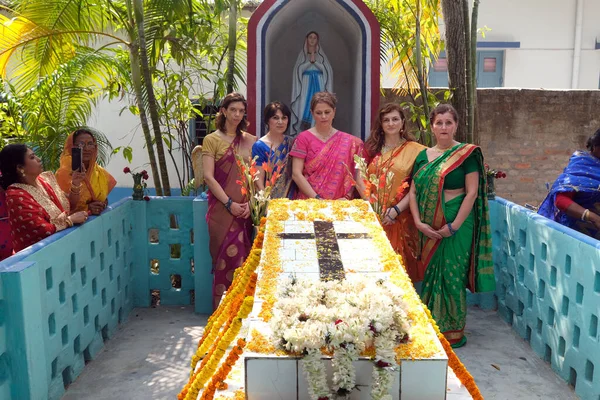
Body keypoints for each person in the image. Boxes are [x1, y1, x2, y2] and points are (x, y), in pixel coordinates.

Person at [408, 104, 495, 348]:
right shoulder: (423, 156)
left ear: (456, 125)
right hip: (428, 224)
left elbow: (472, 193)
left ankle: (452, 331)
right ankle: (431, 327)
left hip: (458, 222)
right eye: (439, 123)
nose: (444, 127)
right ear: (432, 126)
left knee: (452, 275)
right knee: (432, 275)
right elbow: (413, 192)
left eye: (448, 122)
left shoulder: (467, 155)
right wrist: (418, 222)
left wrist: (454, 226)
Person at [202, 92, 256, 309]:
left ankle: (242, 310)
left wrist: (251, 204)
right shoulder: (211, 140)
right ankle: (222, 311)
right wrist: (229, 204)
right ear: (223, 111)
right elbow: (208, 177)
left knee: (244, 259)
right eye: (232, 110)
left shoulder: (250, 140)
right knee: (225, 258)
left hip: (245, 210)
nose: (236, 114)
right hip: (221, 210)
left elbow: (255, 176)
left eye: (241, 111)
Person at [363, 103, 427, 282]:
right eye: (386, 120)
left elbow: (416, 187)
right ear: (381, 124)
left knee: (400, 268)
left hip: (401, 217)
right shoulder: (371, 150)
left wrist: (395, 210)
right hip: (374, 216)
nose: (391, 123)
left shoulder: (417, 151)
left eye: (395, 119)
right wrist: (372, 205)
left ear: (403, 123)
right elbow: (362, 181)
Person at [0, 144, 88, 252]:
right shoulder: (16, 195)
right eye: (32, 157)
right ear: (20, 168)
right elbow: (41, 230)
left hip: (62, 247)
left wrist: (76, 182)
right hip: (38, 257)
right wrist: (70, 220)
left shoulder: (44, 180)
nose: (39, 159)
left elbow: (70, 205)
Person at [290, 92, 363, 200]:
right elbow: (296, 174)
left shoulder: (350, 142)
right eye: (318, 113)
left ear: (334, 112)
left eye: (327, 112)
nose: (323, 116)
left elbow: (355, 175)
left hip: (339, 203)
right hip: (309, 202)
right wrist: (317, 199)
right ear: (312, 113)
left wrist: (347, 197)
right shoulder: (303, 138)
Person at [538, 128, 600, 239]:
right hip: (576, 235)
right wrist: (593, 217)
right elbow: (561, 201)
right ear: (595, 146)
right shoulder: (582, 165)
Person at [56, 129, 117, 215]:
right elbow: (60, 206)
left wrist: (102, 204)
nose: (86, 148)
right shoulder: (63, 173)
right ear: (72, 147)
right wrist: (87, 208)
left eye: (90, 144)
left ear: (94, 147)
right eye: (81, 144)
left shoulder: (99, 172)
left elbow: (103, 198)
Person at [290, 31, 334, 135]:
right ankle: (303, 134)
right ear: (307, 39)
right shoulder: (302, 56)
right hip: (305, 86)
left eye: (315, 38)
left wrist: (315, 62)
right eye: (310, 37)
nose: (312, 40)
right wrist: (310, 62)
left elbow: (327, 71)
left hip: (319, 84)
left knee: (321, 107)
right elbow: (298, 70)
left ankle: (320, 132)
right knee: (303, 109)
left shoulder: (321, 56)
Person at [252, 101, 294, 199]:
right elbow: (258, 180)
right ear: (267, 120)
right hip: (269, 200)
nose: (280, 122)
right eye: (275, 118)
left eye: (284, 118)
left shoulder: (291, 143)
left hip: (292, 199)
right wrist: (265, 201)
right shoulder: (259, 146)